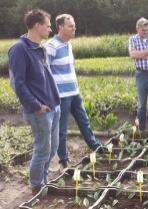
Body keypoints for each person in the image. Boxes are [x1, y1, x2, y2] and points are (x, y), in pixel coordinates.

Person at [8, 9, 61, 194]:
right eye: (47, 25)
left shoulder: (40, 47)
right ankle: (37, 186)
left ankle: (44, 180)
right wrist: (36, 106)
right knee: (42, 149)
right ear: (37, 26)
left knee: (52, 148)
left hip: (53, 106)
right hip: (40, 111)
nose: (50, 29)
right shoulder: (19, 49)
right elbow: (17, 83)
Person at [44, 14, 102, 169]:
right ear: (61, 27)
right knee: (62, 130)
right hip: (61, 96)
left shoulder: (68, 45)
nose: (74, 28)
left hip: (74, 93)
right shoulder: (51, 46)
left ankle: (95, 146)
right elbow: (44, 71)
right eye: (71, 26)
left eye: (74, 25)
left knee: (84, 121)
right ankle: (63, 159)